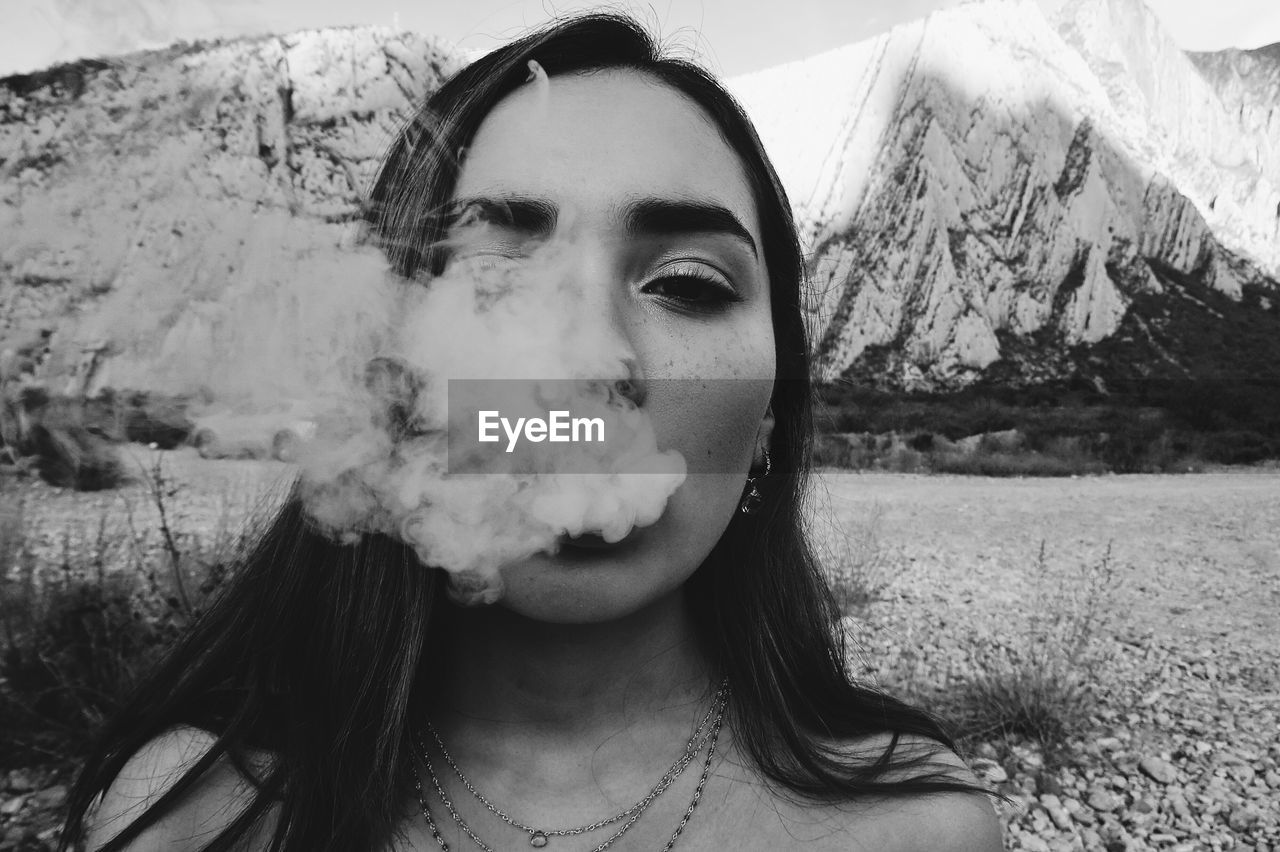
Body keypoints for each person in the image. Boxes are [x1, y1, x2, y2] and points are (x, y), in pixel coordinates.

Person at [61, 13, 1003, 852]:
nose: (589, 359)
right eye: (494, 273)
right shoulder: (193, 819)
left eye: (686, 284)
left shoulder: (921, 832)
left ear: (768, 418)